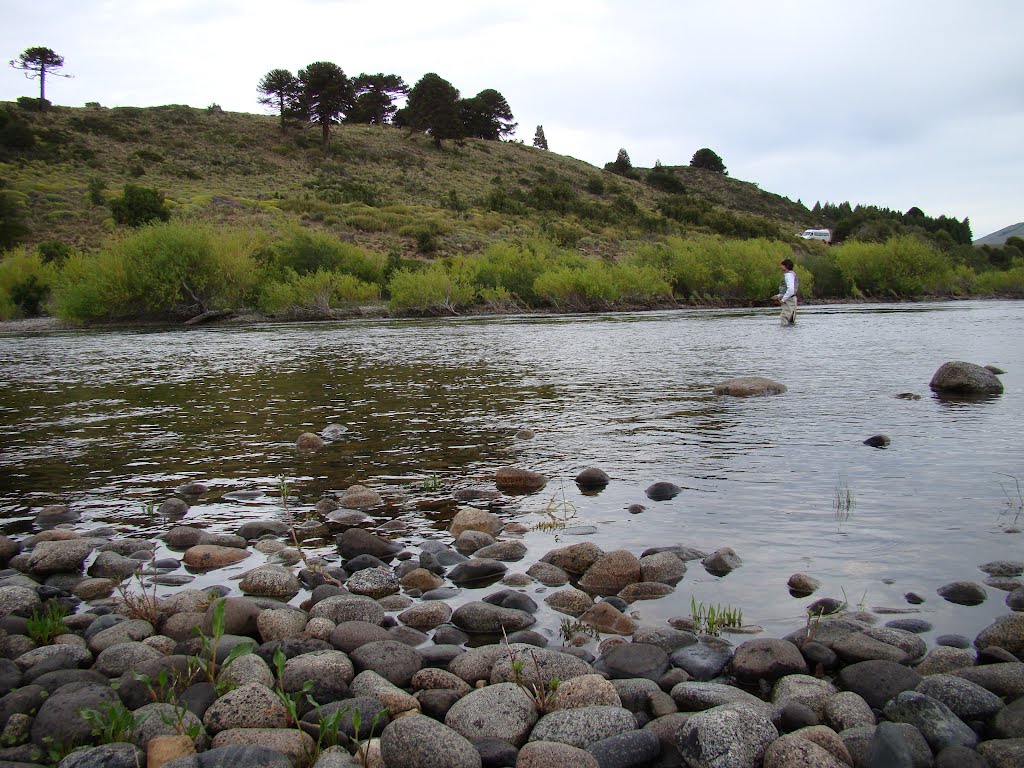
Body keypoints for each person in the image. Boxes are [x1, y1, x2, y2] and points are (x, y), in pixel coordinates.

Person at [772, 259, 798, 325]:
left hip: (789, 300)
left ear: (787, 266)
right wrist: (778, 296)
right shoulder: (790, 274)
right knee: (789, 319)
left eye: (782, 265)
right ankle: (788, 334)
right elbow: (787, 290)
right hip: (790, 299)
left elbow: (790, 290)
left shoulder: (789, 275)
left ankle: (786, 335)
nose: (781, 267)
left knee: (785, 318)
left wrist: (783, 300)